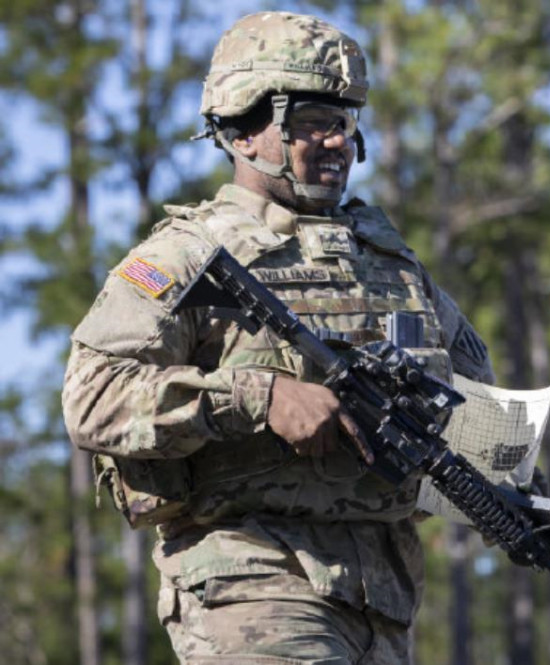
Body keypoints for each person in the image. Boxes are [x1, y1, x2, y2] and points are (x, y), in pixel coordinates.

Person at [62, 11, 508, 663]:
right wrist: (259, 396)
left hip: (383, 605)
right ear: (242, 132)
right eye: (308, 122)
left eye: (344, 121)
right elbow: (94, 397)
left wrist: (515, 497)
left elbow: (480, 412)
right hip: (252, 589)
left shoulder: (392, 267)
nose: (334, 141)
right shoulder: (185, 258)